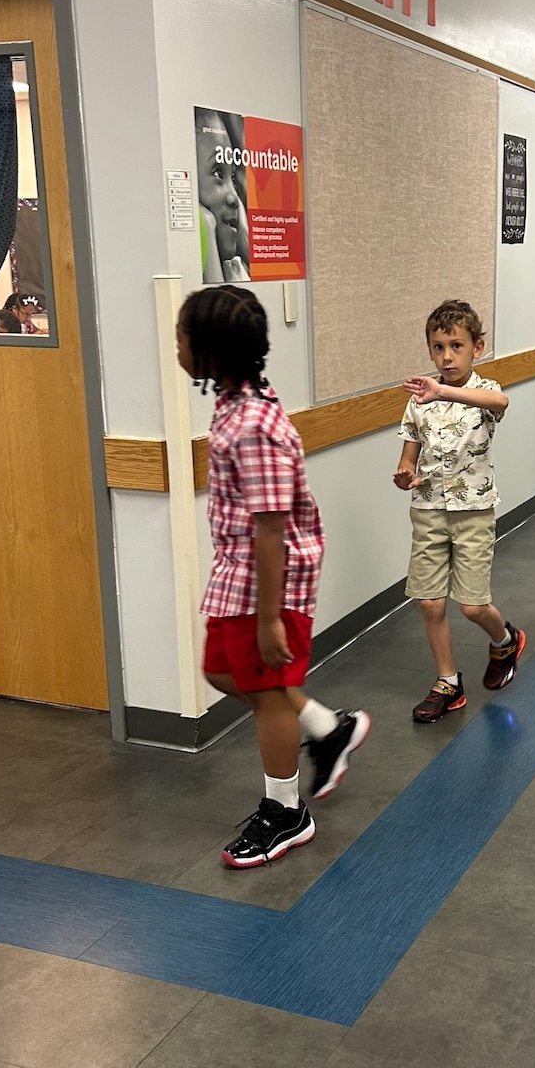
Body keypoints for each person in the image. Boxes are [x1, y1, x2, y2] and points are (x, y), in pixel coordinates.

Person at [177, 285, 370, 867]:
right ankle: (325, 727)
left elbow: (271, 527)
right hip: (237, 566)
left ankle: (286, 813)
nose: (177, 347)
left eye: (183, 339)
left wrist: (267, 618)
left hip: (269, 576)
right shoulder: (236, 402)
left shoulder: (255, 424)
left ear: (211, 351)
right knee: (220, 672)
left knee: (264, 692)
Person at [394, 300, 526, 723]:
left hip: (473, 510)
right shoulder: (418, 402)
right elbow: (409, 452)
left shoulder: (483, 391)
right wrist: (404, 472)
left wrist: (442, 391)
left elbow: (500, 402)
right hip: (429, 509)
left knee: (471, 606)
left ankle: (506, 638)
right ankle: (447, 682)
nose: (447, 356)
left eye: (456, 346)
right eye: (438, 347)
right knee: (430, 603)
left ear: (477, 348)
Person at [195, 108, 250, 283]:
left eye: (233, 177)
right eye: (218, 173)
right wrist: (205, 224)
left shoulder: (235, 268)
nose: (234, 197)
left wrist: (244, 237)